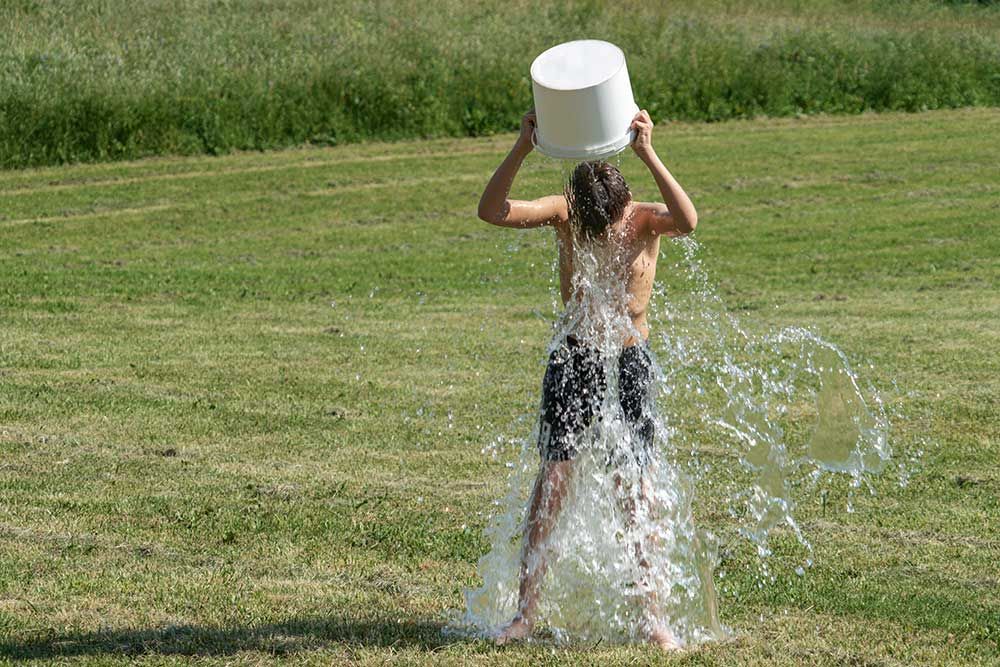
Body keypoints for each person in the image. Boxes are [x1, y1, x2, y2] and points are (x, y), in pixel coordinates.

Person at [476, 109, 699, 651]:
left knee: (635, 488)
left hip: (629, 360)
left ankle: (654, 620)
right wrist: (522, 148)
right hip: (574, 358)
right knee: (553, 481)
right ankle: (525, 614)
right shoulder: (564, 212)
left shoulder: (644, 217)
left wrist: (648, 151)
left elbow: (688, 219)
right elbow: (492, 211)